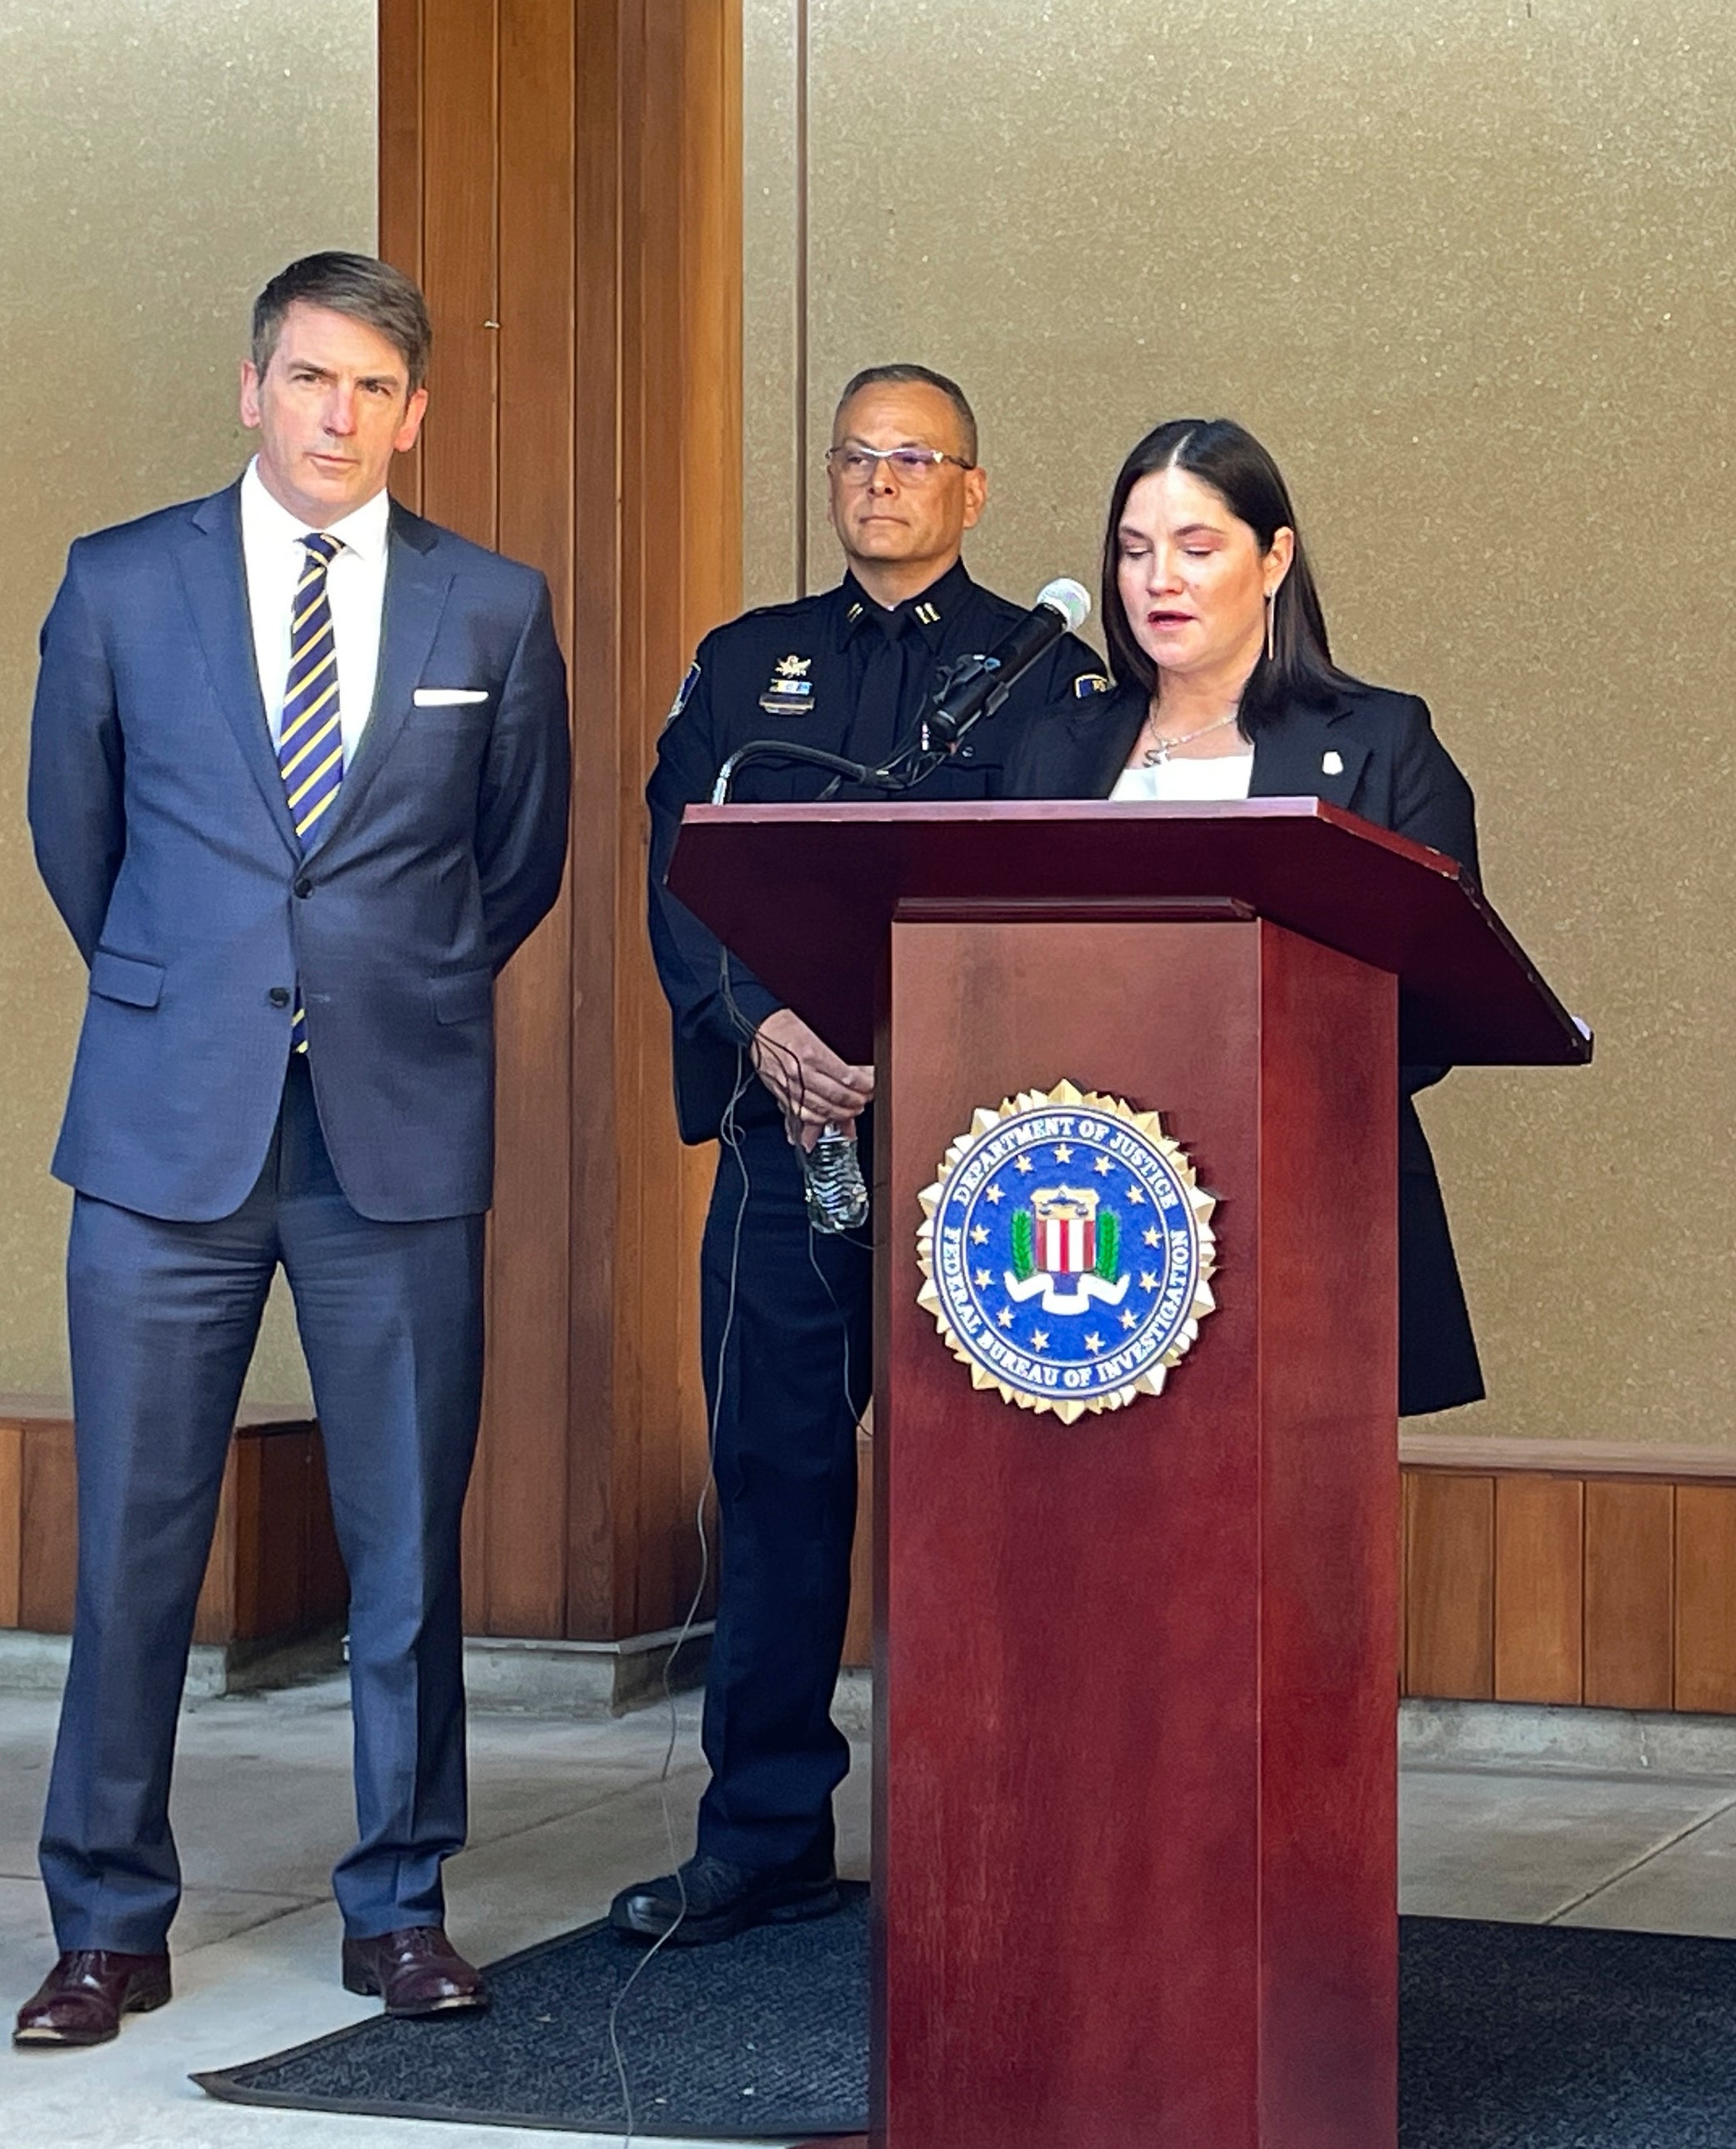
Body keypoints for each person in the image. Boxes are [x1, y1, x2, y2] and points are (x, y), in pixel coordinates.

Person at [18, 251, 571, 2045]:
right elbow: (76, 839)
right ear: (251, 386)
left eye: (375, 388)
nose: (341, 415)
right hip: (166, 1128)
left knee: (403, 1546)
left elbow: (518, 860)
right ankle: (104, 1919)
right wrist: (209, 991)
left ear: (417, 411)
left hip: (391, 1134)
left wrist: (380, 990)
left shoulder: (490, 608)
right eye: (311, 377)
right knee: (133, 1545)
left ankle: (400, 1906)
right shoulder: (118, 584)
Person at [615, 364, 1111, 1946]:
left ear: (973, 492)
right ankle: (760, 1832)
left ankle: (1000, 1832)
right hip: (784, 1138)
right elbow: (678, 870)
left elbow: (1068, 907)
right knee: (774, 1474)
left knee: (993, 1491)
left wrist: (919, 1044)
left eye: (916, 458)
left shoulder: (1046, 672)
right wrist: (760, 1027)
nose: (880, 480)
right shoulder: (743, 661)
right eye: (857, 454)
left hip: (981, 1153)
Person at [999, 417, 1486, 1417]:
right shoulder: (1055, 746)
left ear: (1274, 558)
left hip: (1306, 1215)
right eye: (1134, 551)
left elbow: (1433, 992)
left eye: (1196, 547)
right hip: (1092, 1221)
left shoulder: (1380, 740)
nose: (1156, 580)